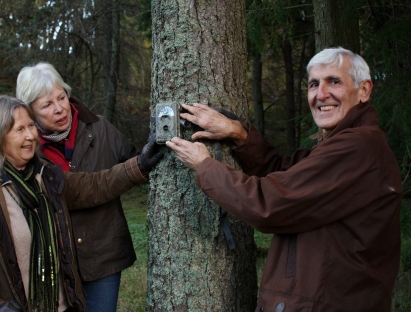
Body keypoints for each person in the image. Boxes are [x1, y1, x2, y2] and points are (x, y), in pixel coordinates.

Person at [166, 47, 402, 311]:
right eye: (314, 84)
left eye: (334, 81)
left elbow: (270, 204)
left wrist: (204, 166)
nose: (320, 94)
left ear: (364, 91)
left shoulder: (359, 147)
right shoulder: (343, 144)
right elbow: (285, 171)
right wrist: (240, 134)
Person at [0, 95, 161, 312]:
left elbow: (95, 185)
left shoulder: (46, 177)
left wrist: (140, 165)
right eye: (19, 130)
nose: (30, 136)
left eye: (31, 125)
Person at [15, 62, 151, 312]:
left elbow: (139, 162)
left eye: (62, 97)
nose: (59, 108)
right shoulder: (25, 149)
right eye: (47, 105)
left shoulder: (101, 128)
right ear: (30, 112)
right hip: (53, 262)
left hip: (103, 256)